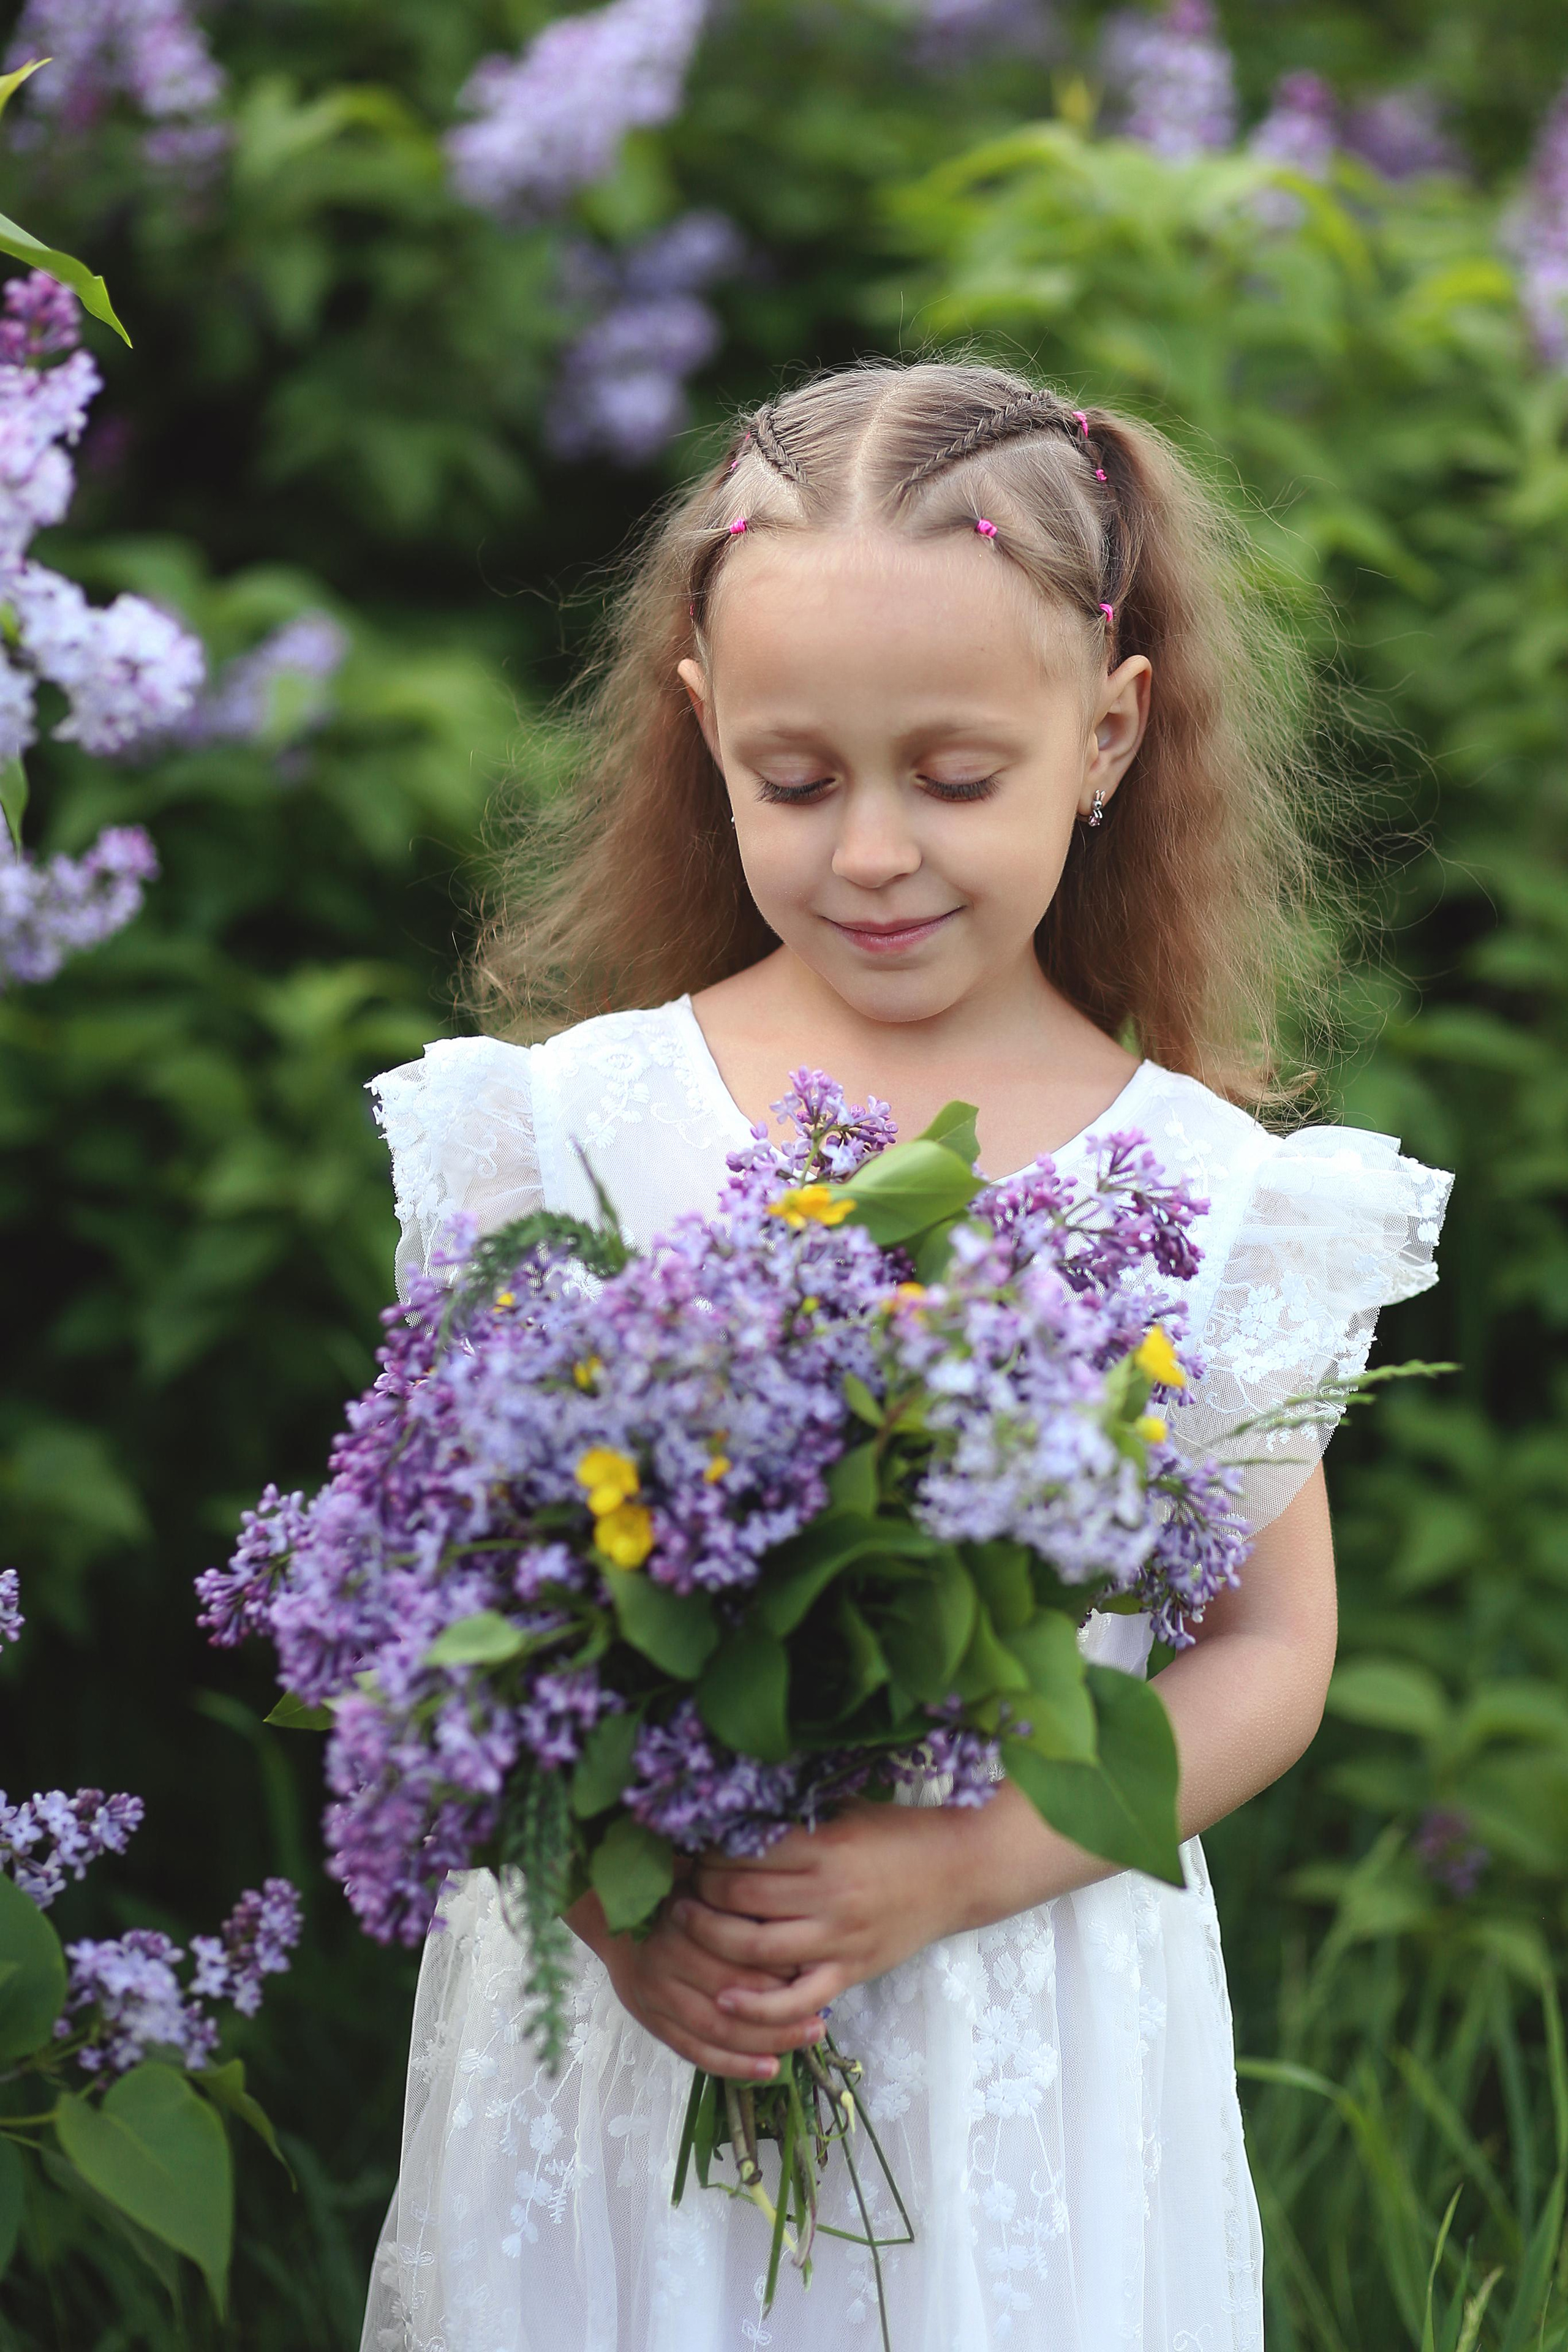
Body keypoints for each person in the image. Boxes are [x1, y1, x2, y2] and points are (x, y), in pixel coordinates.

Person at [361, 361, 1450, 2352]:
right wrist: (617, 1915)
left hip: (1014, 2003)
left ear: (1108, 733)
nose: (872, 851)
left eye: (953, 778)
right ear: (704, 726)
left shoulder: (1205, 1196)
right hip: (639, 2017)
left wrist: (951, 1875)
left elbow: (1271, 1652)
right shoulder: (565, 1133)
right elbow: (445, 1595)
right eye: (796, 780)